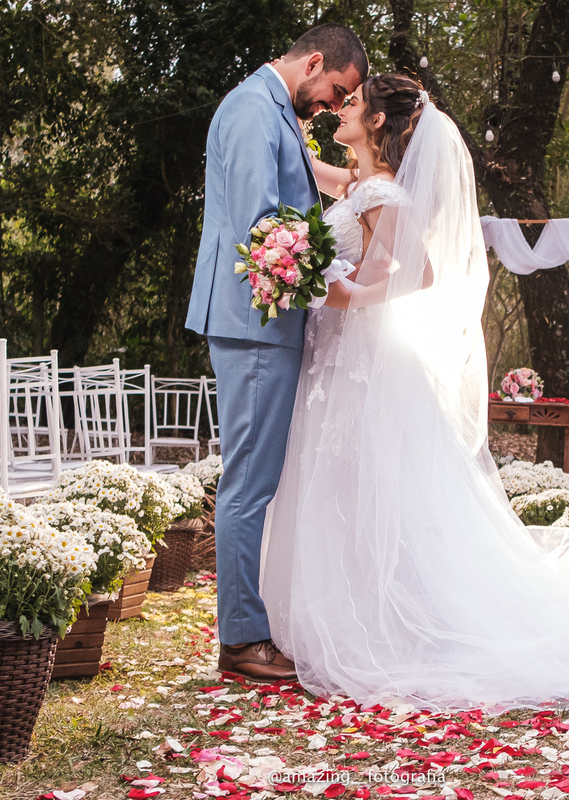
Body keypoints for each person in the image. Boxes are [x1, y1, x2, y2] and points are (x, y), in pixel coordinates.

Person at [260, 75, 569, 711]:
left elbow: (416, 273)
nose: (340, 108)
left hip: (364, 356)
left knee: (370, 482)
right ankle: (349, 604)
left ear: (375, 122)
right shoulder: (364, 182)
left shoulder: (380, 189)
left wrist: (344, 295)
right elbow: (329, 179)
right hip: (342, 358)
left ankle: (390, 616)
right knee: (347, 481)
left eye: (350, 102)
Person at [186, 25, 368, 684]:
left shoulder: (277, 113)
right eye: (335, 92)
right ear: (314, 61)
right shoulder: (247, 109)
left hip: (271, 321)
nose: (328, 107)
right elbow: (262, 226)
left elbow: (309, 194)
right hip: (252, 323)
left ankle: (252, 624)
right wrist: (341, 284)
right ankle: (241, 638)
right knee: (249, 484)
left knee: (259, 481)